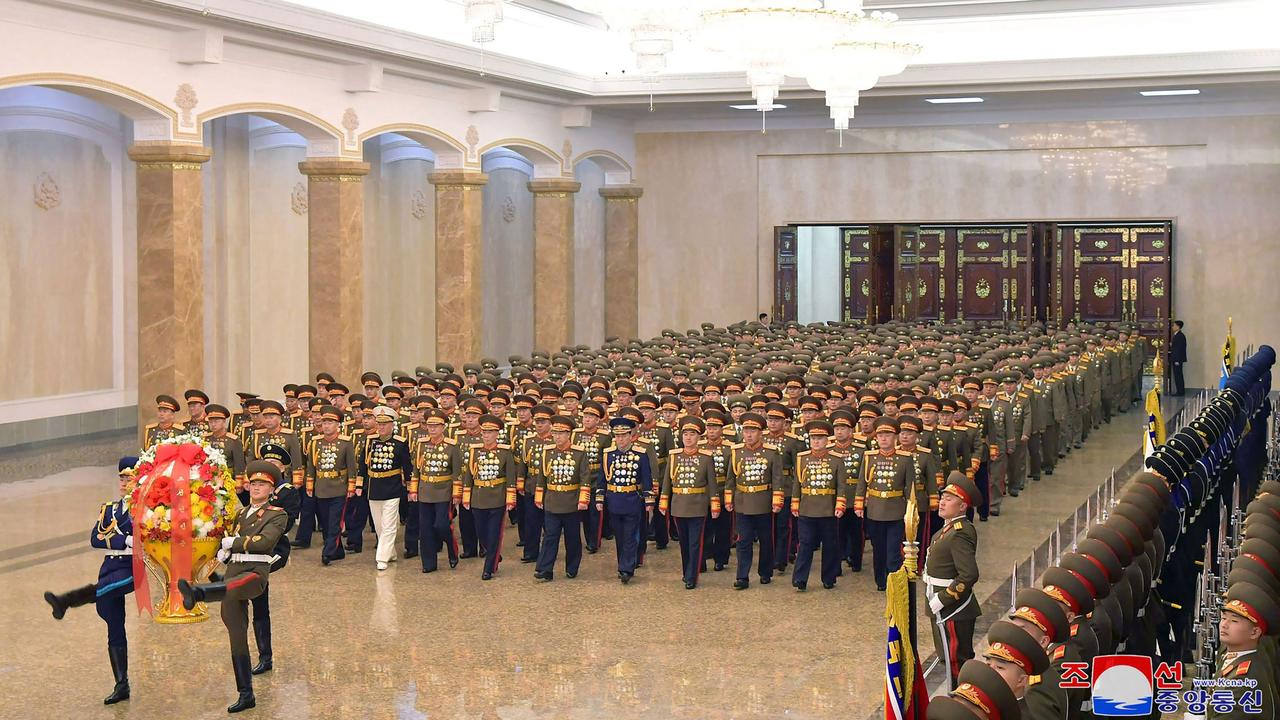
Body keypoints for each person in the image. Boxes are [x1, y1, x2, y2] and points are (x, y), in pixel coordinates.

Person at [177, 460, 290, 713]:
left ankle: (198, 594)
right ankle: (246, 693)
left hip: (255, 572)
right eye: (253, 484)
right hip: (234, 570)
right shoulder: (240, 514)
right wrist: (223, 551)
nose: (256, 488)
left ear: (272, 489)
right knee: (236, 638)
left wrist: (234, 543)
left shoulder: (277, 514)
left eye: (262, 484)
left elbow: (265, 542)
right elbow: (226, 543)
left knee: (238, 585)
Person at [43, 456, 139, 705]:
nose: (124, 482)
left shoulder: (147, 509)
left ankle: (65, 601)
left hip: (132, 568)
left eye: (129, 477)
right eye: (122, 478)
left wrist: (129, 542)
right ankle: (122, 685)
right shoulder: (109, 509)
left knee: (105, 590)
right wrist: (122, 540)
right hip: (109, 565)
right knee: (113, 623)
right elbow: (95, 538)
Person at [241, 443, 300, 676]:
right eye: (254, 483)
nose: (257, 487)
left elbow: (284, 525)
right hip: (248, 552)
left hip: (273, 550)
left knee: (259, 599)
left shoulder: (284, 496)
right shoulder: (250, 504)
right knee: (246, 601)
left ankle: (265, 657)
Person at [925, 471, 982, 691]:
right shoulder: (948, 528)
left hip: (953, 608)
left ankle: (961, 699)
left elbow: (968, 574)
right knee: (947, 657)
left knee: (957, 659)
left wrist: (944, 598)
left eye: (949, 499)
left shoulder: (960, 532)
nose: (942, 502)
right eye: (943, 498)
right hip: (942, 604)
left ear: (962, 507)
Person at [726, 412, 783, 590]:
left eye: (753, 431)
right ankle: (742, 576)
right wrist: (728, 499)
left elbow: (777, 479)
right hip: (743, 501)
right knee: (743, 540)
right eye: (746, 430)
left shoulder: (771, 453)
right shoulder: (736, 452)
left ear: (761, 433)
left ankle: (765, 572)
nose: (749, 434)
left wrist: (777, 500)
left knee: (766, 539)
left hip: (763, 501)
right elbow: (731, 479)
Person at [661, 416, 718, 589]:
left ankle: (692, 576)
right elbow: (667, 482)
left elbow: (712, 484)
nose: (688, 437)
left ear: (699, 437)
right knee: (684, 543)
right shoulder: (674, 456)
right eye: (685, 434)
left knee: (695, 543)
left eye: (692, 434)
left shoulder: (706, 457)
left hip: (697, 505)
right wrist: (664, 502)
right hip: (679, 504)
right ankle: (687, 571)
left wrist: (714, 505)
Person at [533, 415, 592, 581]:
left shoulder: (579, 453)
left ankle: (572, 567)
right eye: (555, 433)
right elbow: (542, 477)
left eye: (561, 433)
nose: (557, 437)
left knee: (572, 538)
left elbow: (584, 478)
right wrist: (539, 496)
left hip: (571, 501)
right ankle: (545, 569)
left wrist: (583, 500)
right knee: (550, 536)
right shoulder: (548, 452)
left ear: (569, 434)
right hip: (552, 500)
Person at [790, 420, 847, 591]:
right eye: (813, 438)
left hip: (827, 508)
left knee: (830, 544)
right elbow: (797, 483)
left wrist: (840, 504)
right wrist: (795, 502)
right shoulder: (802, 458)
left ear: (827, 440)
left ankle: (828, 577)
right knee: (805, 544)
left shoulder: (836, 460)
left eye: (820, 438)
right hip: (807, 507)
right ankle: (800, 579)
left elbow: (841, 486)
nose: (816, 441)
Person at [461, 414, 517, 580]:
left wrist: (510, 499)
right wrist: (466, 496)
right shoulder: (475, 451)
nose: (486, 435)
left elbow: (510, 477)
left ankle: (489, 568)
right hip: (478, 497)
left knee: (494, 533)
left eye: (490, 432)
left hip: (497, 498)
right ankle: (493, 553)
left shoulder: (505, 452)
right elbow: (469, 476)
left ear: (497, 433)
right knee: (481, 533)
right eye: (484, 432)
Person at [599, 416, 653, 584]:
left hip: (632, 500)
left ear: (631, 435)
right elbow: (602, 478)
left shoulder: (640, 455)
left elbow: (647, 478)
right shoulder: (608, 454)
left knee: (630, 536)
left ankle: (626, 568)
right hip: (614, 500)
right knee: (620, 536)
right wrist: (599, 498)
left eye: (624, 435)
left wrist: (648, 501)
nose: (620, 439)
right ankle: (623, 562)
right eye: (617, 436)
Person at [303, 406, 359, 565]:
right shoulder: (315, 442)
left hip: (339, 487)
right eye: (324, 422)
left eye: (330, 422)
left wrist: (351, 486)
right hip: (321, 487)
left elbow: (351, 466)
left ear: (338, 425)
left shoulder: (345, 442)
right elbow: (311, 466)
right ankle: (338, 551)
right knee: (326, 523)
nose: (326, 426)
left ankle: (327, 552)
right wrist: (309, 485)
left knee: (335, 522)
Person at [409, 408, 463, 572]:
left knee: (441, 525)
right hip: (425, 490)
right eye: (429, 425)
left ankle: (452, 550)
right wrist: (413, 490)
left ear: (443, 427)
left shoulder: (452, 446)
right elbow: (417, 469)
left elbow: (457, 472)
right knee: (425, 529)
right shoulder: (422, 445)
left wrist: (456, 493)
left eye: (436, 426)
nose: (432, 429)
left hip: (444, 491)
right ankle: (429, 563)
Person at [361, 406, 413, 571]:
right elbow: (363, 465)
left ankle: (381, 558)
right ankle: (391, 553)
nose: (381, 427)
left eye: (385, 424)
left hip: (392, 487)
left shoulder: (400, 443)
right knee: (379, 526)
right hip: (374, 488)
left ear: (392, 425)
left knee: (389, 524)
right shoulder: (370, 441)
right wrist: (359, 485)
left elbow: (407, 467)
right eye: (379, 424)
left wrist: (411, 488)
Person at [1170, 319, 1187, 396]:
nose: (1173, 327)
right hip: (1176, 359)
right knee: (1177, 375)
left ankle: (1180, 391)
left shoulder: (1180, 336)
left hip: (1177, 359)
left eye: (1174, 325)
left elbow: (1179, 349)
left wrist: (1177, 360)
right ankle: (1179, 390)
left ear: (1178, 327)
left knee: (1178, 375)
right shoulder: (1177, 335)